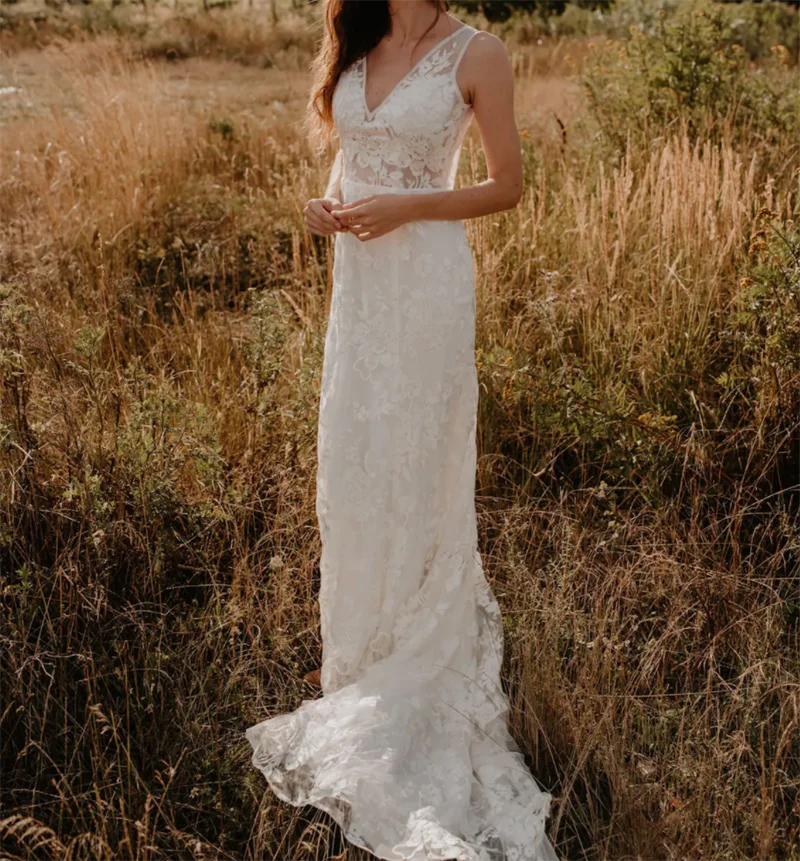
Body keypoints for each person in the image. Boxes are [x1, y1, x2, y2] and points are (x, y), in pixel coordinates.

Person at [246, 1, 559, 858]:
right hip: (361, 292)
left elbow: (507, 184)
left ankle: (415, 652)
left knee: (417, 463)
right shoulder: (355, 39)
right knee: (356, 460)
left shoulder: (478, 51)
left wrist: (408, 208)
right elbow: (354, 160)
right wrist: (329, 205)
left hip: (424, 284)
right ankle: (359, 650)